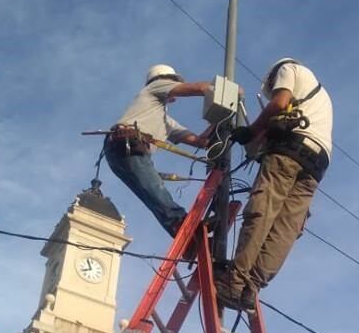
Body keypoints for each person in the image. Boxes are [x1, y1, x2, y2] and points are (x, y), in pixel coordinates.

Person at [215, 57, 333, 311]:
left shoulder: (289, 69)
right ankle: (251, 288)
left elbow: (279, 104)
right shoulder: (319, 97)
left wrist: (252, 130)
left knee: (262, 211)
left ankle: (234, 283)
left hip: (290, 152)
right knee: (285, 228)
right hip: (316, 164)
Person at [104, 64, 212, 235]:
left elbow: (199, 141)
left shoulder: (164, 120)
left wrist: (217, 124)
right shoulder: (155, 86)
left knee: (151, 194)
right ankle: (181, 223)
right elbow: (202, 88)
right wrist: (227, 92)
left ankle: (181, 232)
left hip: (122, 150)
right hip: (127, 143)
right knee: (155, 188)